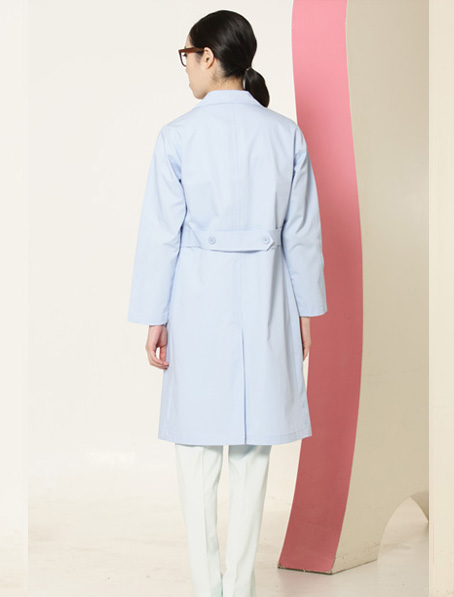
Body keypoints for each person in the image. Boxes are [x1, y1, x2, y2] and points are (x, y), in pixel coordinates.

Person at [127, 9, 327, 597]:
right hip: (267, 299)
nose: (186, 67)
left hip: (197, 302)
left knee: (196, 453)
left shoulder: (177, 136)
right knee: (251, 452)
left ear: (210, 56)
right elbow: (302, 235)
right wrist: (304, 312)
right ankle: (239, 587)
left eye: (187, 56)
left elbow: (160, 235)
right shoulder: (285, 135)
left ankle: (205, 586)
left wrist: (155, 317)